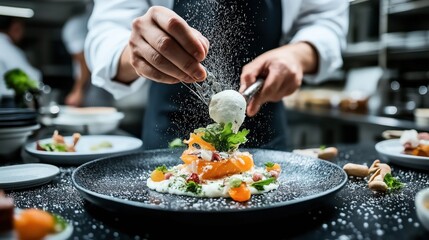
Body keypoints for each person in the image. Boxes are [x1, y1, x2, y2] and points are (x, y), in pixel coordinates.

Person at [85, 0, 349, 150]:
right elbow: (105, 34)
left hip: (268, 139)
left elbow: (326, 22)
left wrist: (298, 55)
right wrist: (138, 51)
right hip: (165, 140)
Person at [61, 4, 114, 107]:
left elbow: (83, 60)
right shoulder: (95, 21)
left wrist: (78, 90)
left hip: (91, 87)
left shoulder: (72, 27)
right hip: (105, 82)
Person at [0, 15, 41, 106]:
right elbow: (30, 77)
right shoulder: (5, 46)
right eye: (22, 28)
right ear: (15, 27)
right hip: (6, 103)